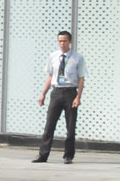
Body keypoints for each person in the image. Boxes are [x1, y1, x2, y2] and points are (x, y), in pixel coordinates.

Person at [36, 30, 85, 164]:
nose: (62, 44)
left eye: (64, 41)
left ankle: (68, 156)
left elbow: (81, 78)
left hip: (70, 92)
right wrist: (43, 93)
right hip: (56, 92)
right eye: (60, 41)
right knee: (49, 125)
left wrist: (78, 97)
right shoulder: (53, 56)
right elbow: (50, 76)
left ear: (70, 42)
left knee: (70, 126)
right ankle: (43, 155)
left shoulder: (77, 58)